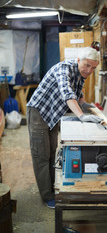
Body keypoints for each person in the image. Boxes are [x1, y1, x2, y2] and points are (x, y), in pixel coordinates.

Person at [26, 47, 102, 208]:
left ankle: (54, 187)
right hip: (39, 111)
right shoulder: (63, 69)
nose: (89, 70)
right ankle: (47, 196)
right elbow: (67, 93)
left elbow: (78, 95)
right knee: (41, 156)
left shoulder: (81, 73)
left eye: (93, 68)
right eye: (87, 66)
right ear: (78, 60)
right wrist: (81, 116)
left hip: (53, 113)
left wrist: (89, 108)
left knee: (52, 153)